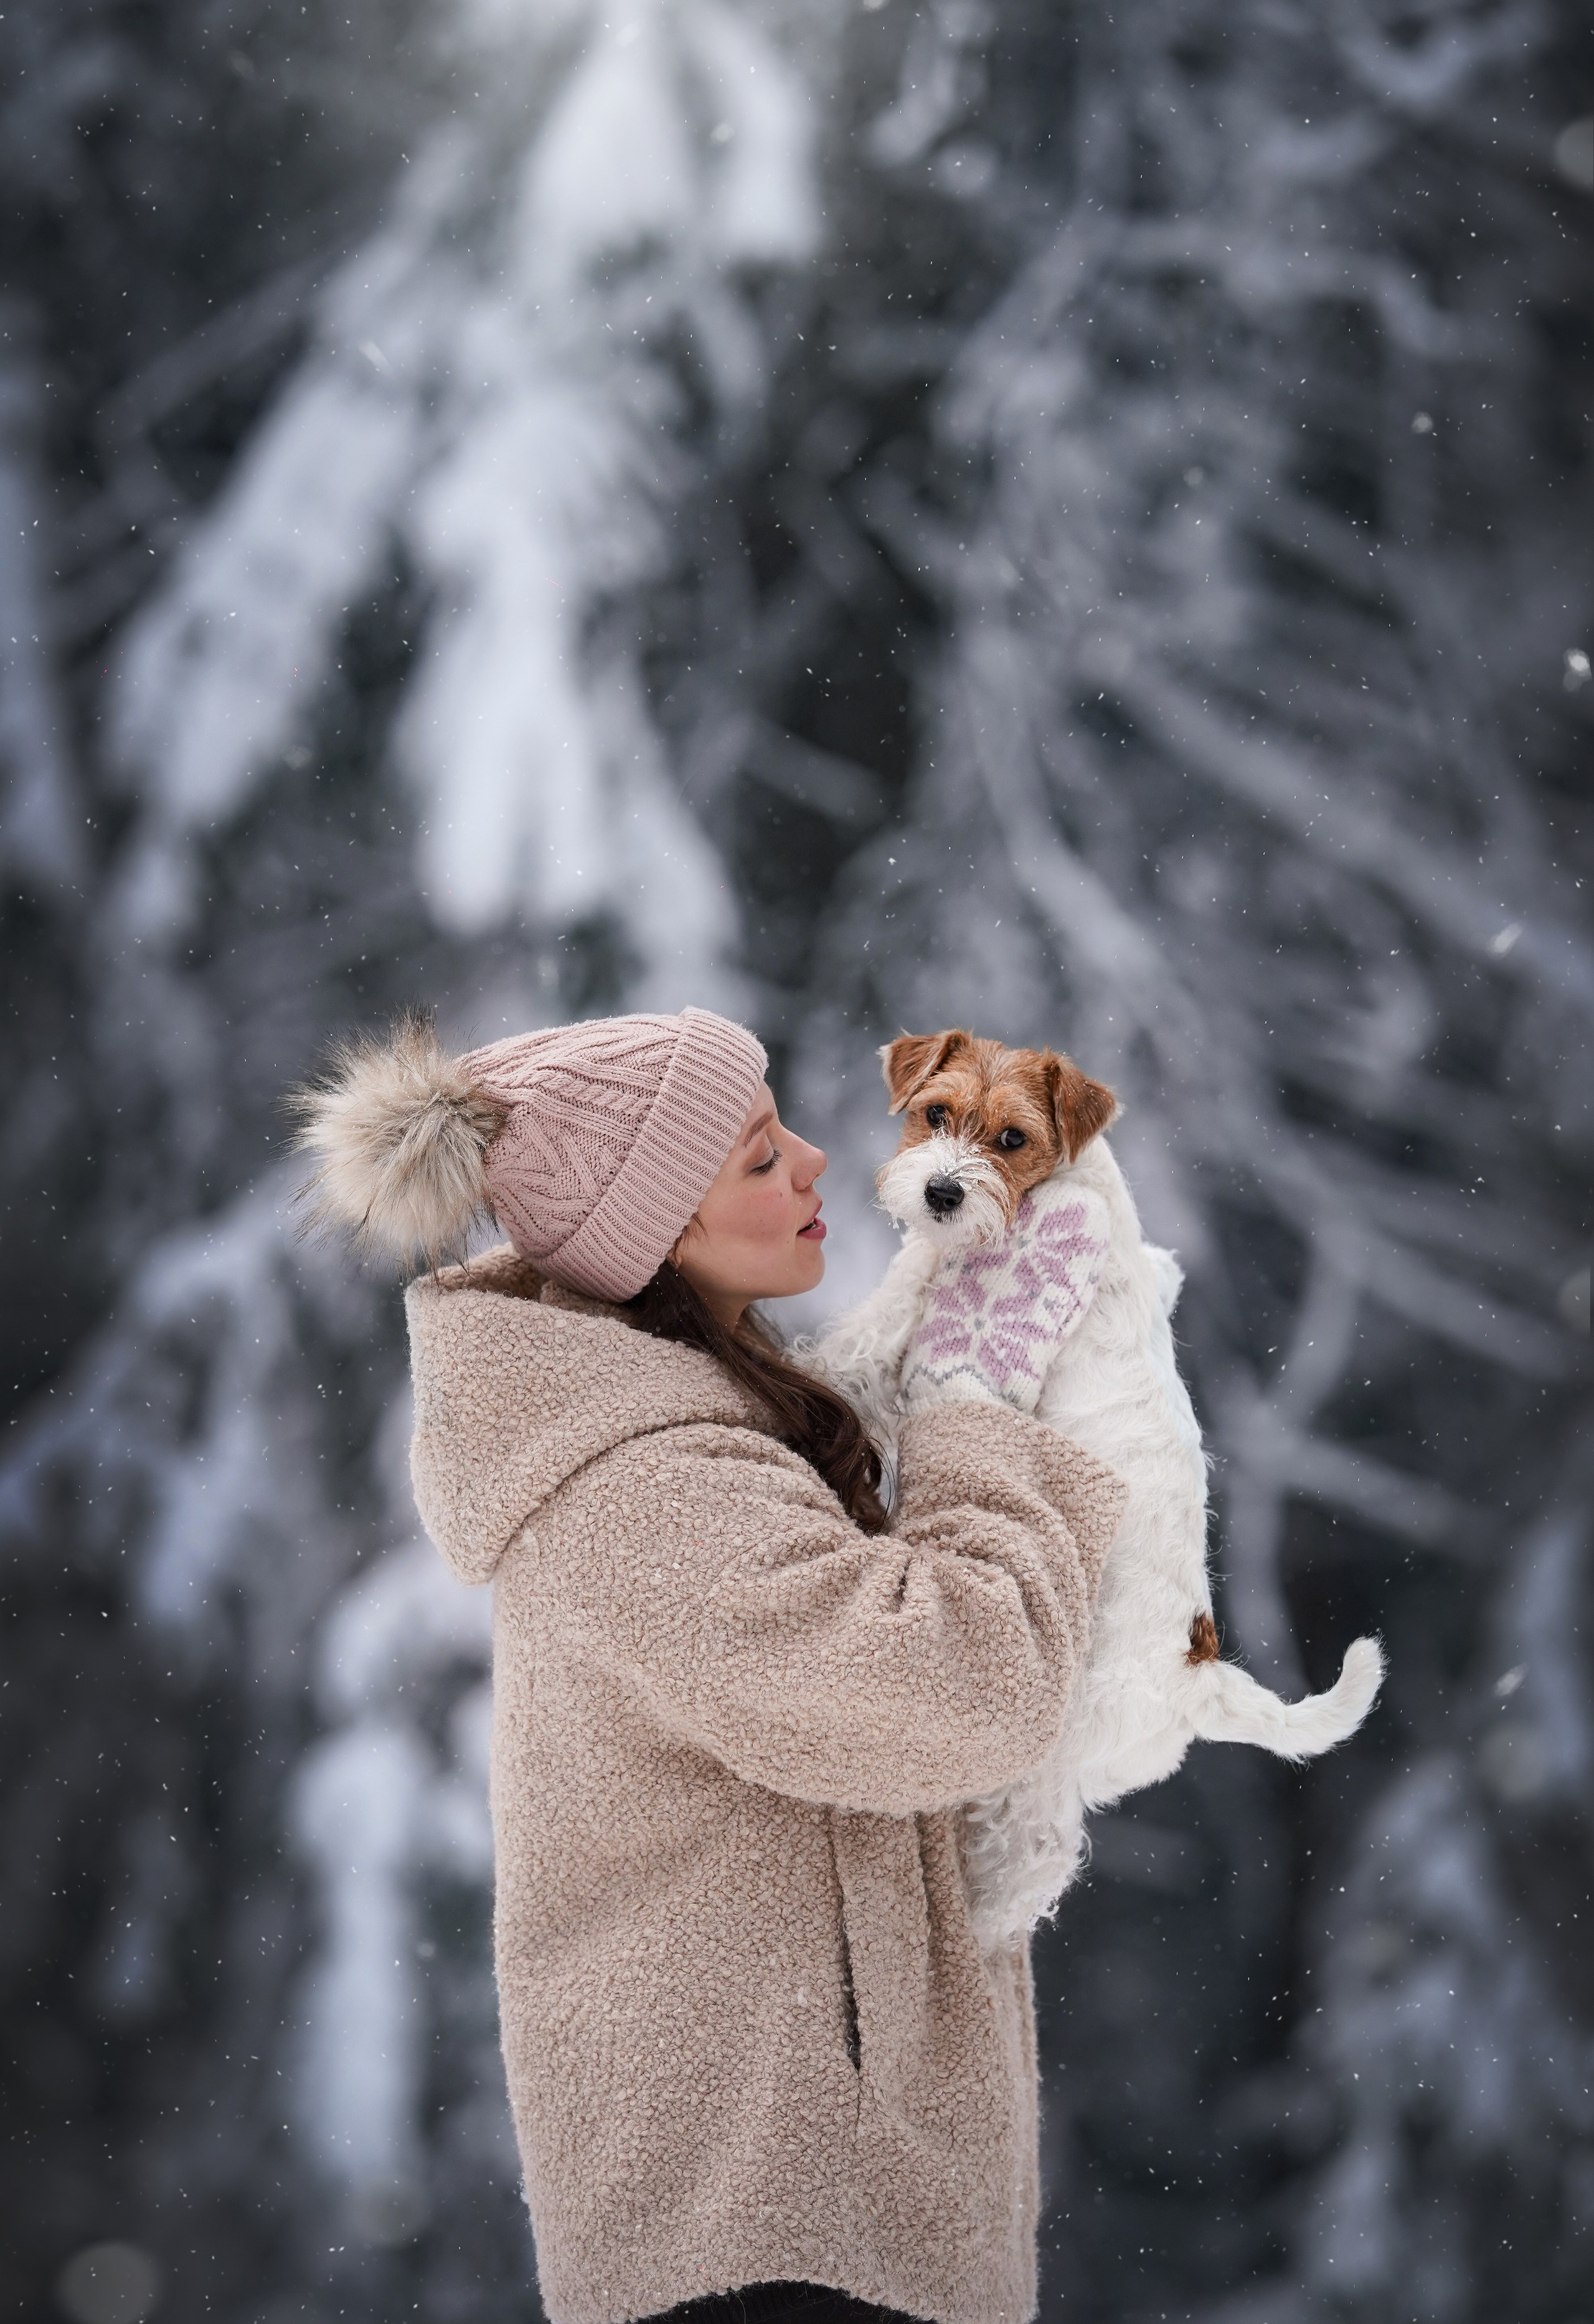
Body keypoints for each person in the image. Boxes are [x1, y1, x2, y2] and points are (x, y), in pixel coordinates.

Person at [295, 1006, 1124, 2324]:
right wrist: (975, 1408)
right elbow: (963, 1687)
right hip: (772, 2222)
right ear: (658, 1231)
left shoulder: (700, 1433)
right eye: (758, 1156)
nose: (813, 1161)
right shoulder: (648, 1488)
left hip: (802, 2206)